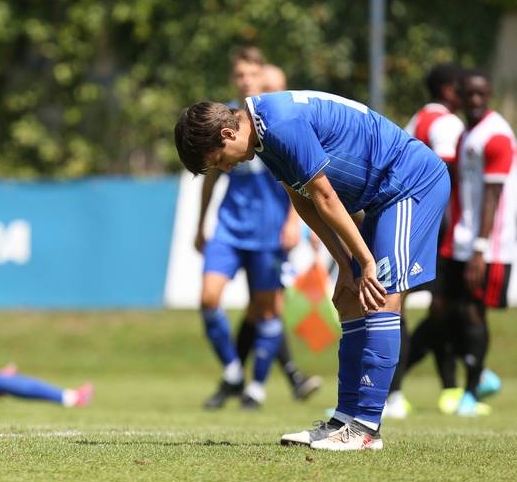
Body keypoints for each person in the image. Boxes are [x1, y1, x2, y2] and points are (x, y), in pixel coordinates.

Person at [175, 90, 449, 451]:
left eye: (220, 160)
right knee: (351, 299)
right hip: (381, 197)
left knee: (380, 294)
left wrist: (365, 263)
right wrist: (344, 264)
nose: (226, 168)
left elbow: (325, 197)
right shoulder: (262, 134)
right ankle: (343, 420)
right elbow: (302, 201)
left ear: (227, 135)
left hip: (410, 185)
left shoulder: (280, 124)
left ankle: (365, 428)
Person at [195, 49, 319, 411]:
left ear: (261, 76)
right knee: (208, 298)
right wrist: (200, 222)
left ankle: (258, 388)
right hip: (230, 227)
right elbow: (210, 175)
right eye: (240, 75)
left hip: (269, 231)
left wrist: (294, 222)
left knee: (266, 310)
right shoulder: (223, 120)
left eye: (252, 74)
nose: (246, 80)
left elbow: (298, 176)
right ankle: (234, 371)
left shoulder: (273, 119)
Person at [384, 64, 465, 418]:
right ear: (448, 89)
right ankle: (408, 391)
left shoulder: (416, 119)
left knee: (405, 302)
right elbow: (442, 175)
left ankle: (443, 389)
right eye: (461, 88)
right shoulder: (447, 123)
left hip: (405, 218)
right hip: (437, 227)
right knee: (438, 306)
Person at [438, 69, 514, 416]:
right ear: (459, 95)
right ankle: (479, 377)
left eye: (482, 95)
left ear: (490, 96)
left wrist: (480, 250)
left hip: (489, 244)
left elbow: (493, 196)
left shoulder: (496, 136)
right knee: (449, 309)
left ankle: (471, 390)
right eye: (470, 95)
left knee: (472, 311)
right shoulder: (467, 133)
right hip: (463, 238)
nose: (476, 101)